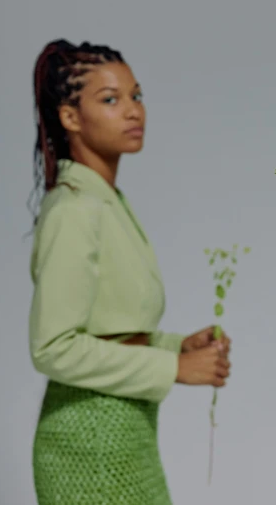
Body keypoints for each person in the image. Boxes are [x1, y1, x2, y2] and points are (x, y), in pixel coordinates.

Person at [27, 39, 229, 504]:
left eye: (136, 96)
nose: (133, 111)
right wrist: (172, 366)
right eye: (110, 99)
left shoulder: (106, 201)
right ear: (70, 117)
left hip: (124, 435)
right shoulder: (75, 209)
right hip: (87, 444)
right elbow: (52, 348)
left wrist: (176, 346)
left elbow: (104, 331)